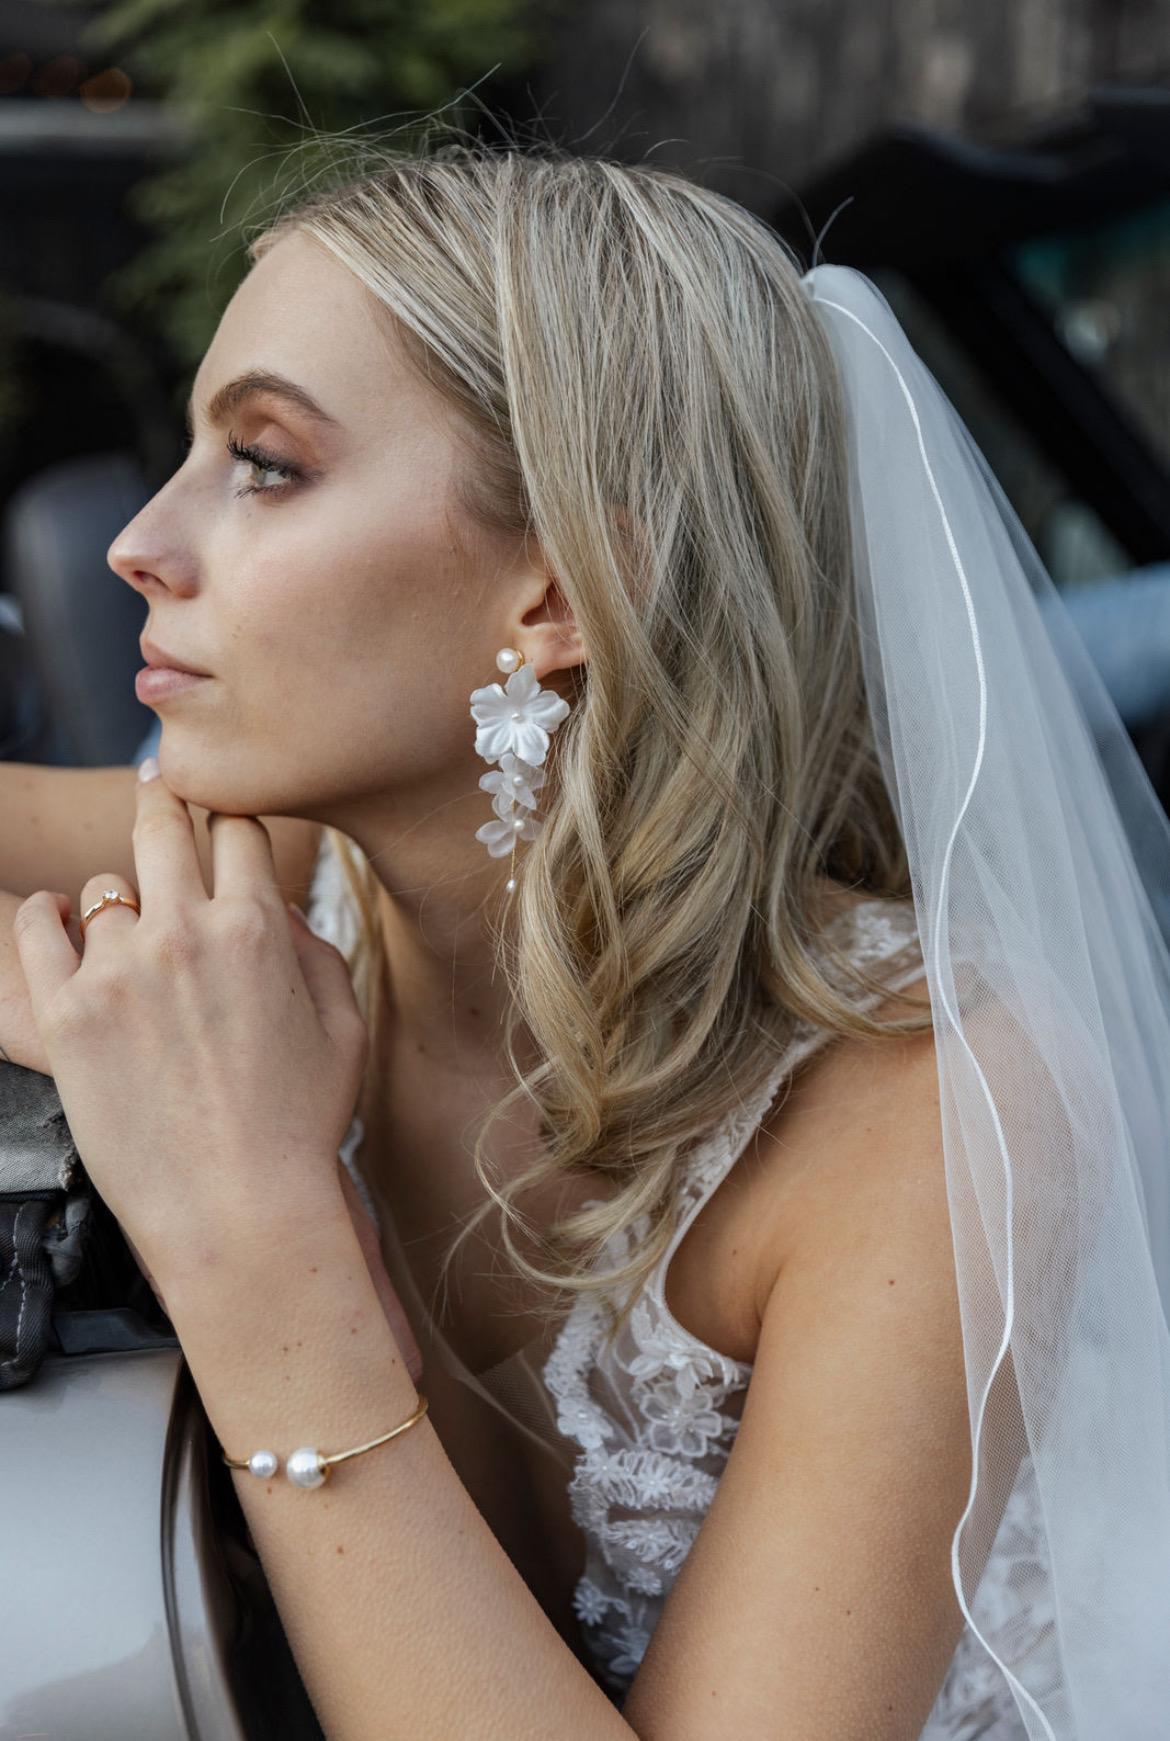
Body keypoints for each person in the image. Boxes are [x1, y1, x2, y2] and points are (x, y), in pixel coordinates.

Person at [11, 144, 1170, 1740]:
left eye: (264, 463)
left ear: (560, 589)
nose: (141, 538)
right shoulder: (268, 867)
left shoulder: (933, 1103)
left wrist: (251, 1234)